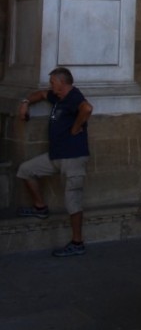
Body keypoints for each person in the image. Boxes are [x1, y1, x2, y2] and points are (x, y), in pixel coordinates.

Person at [16, 67, 93, 257]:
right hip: (56, 156)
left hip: (73, 157)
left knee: (72, 201)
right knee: (26, 170)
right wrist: (25, 102)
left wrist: (76, 128)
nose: (51, 86)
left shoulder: (74, 96)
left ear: (62, 82)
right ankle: (40, 207)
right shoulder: (57, 97)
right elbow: (41, 94)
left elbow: (87, 108)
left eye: (53, 82)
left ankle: (77, 242)